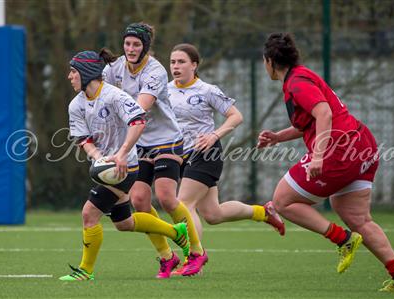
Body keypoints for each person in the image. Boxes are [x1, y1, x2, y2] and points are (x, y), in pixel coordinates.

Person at [258, 33, 394, 292]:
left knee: (282, 201)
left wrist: (318, 156)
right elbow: (312, 120)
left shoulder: (296, 83)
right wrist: (278, 137)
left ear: (270, 61)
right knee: (357, 217)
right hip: (362, 144)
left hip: (339, 151)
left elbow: (323, 113)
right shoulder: (302, 76)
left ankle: (341, 239)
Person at [59, 50, 190, 281]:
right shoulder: (76, 105)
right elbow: (83, 139)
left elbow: (138, 121)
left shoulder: (114, 96)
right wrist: (99, 157)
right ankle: (174, 232)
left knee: (89, 214)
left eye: (73, 71)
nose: (69, 76)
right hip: (107, 168)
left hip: (125, 167)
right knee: (124, 223)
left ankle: (85, 271)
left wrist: (121, 154)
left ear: (87, 73)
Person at [167, 43, 286, 276]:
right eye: (172, 62)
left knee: (183, 204)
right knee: (213, 214)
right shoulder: (165, 90)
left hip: (206, 154)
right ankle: (264, 213)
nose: (176, 66)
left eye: (181, 62)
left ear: (194, 65)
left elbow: (236, 116)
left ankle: (194, 259)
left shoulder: (206, 90)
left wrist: (214, 135)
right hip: (180, 156)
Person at [102, 23, 205, 278]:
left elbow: (139, 108)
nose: (131, 48)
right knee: (139, 201)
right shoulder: (114, 68)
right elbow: (98, 90)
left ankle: (196, 252)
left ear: (145, 46)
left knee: (167, 197)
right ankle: (167, 257)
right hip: (138, 142)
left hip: (166, 139)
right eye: (127, 43)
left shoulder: (155, 71)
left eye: (136, 44)